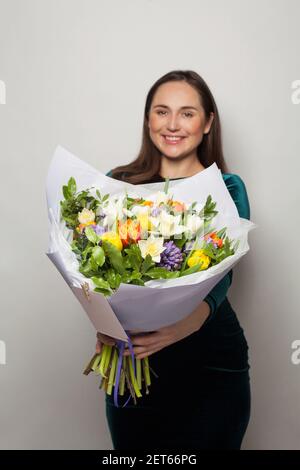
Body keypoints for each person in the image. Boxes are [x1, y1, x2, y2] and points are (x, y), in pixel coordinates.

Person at [96, 70, 251, 450]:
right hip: (133, 358)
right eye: (162, 111)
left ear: (208, 122)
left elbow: (225, 273)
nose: (173, 124)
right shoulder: (116, 183)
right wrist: (104, 322)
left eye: (187, 113)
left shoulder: (228, 188)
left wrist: (186, 326)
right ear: (148, 119)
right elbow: (95, 271)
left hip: (211, 359)